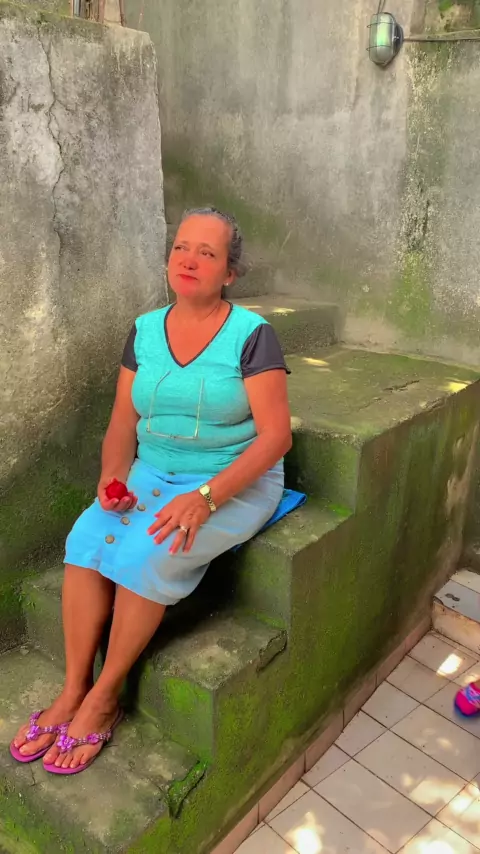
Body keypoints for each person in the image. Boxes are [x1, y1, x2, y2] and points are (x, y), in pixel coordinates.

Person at [10, 206, 292, 775]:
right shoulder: (143, 330)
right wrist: (113, 479)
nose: (188, 260)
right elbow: (123, 420)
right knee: (85, 539)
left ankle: (105, 695)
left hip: (231, 480)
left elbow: (276, 437)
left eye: (206, 253)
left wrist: (206, 498)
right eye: (181, 247)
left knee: (149, 552)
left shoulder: (252, 336)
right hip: (152, 471)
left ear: (229, 273)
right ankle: (73, 687)